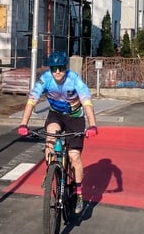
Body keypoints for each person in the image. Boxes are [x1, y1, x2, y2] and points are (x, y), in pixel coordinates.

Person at [17, 51, 98, 215]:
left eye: (61, 68)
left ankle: (79, 193)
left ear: (65, 68)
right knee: (50, 137)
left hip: (75, 118)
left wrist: (93, 125)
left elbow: (86, 102)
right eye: (54, 69)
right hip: (56, 115)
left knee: (74, 156)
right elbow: (32, 100)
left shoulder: (74, 79)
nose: (57, 72)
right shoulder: (45, 79)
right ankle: (50, 175)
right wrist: (23, 123)